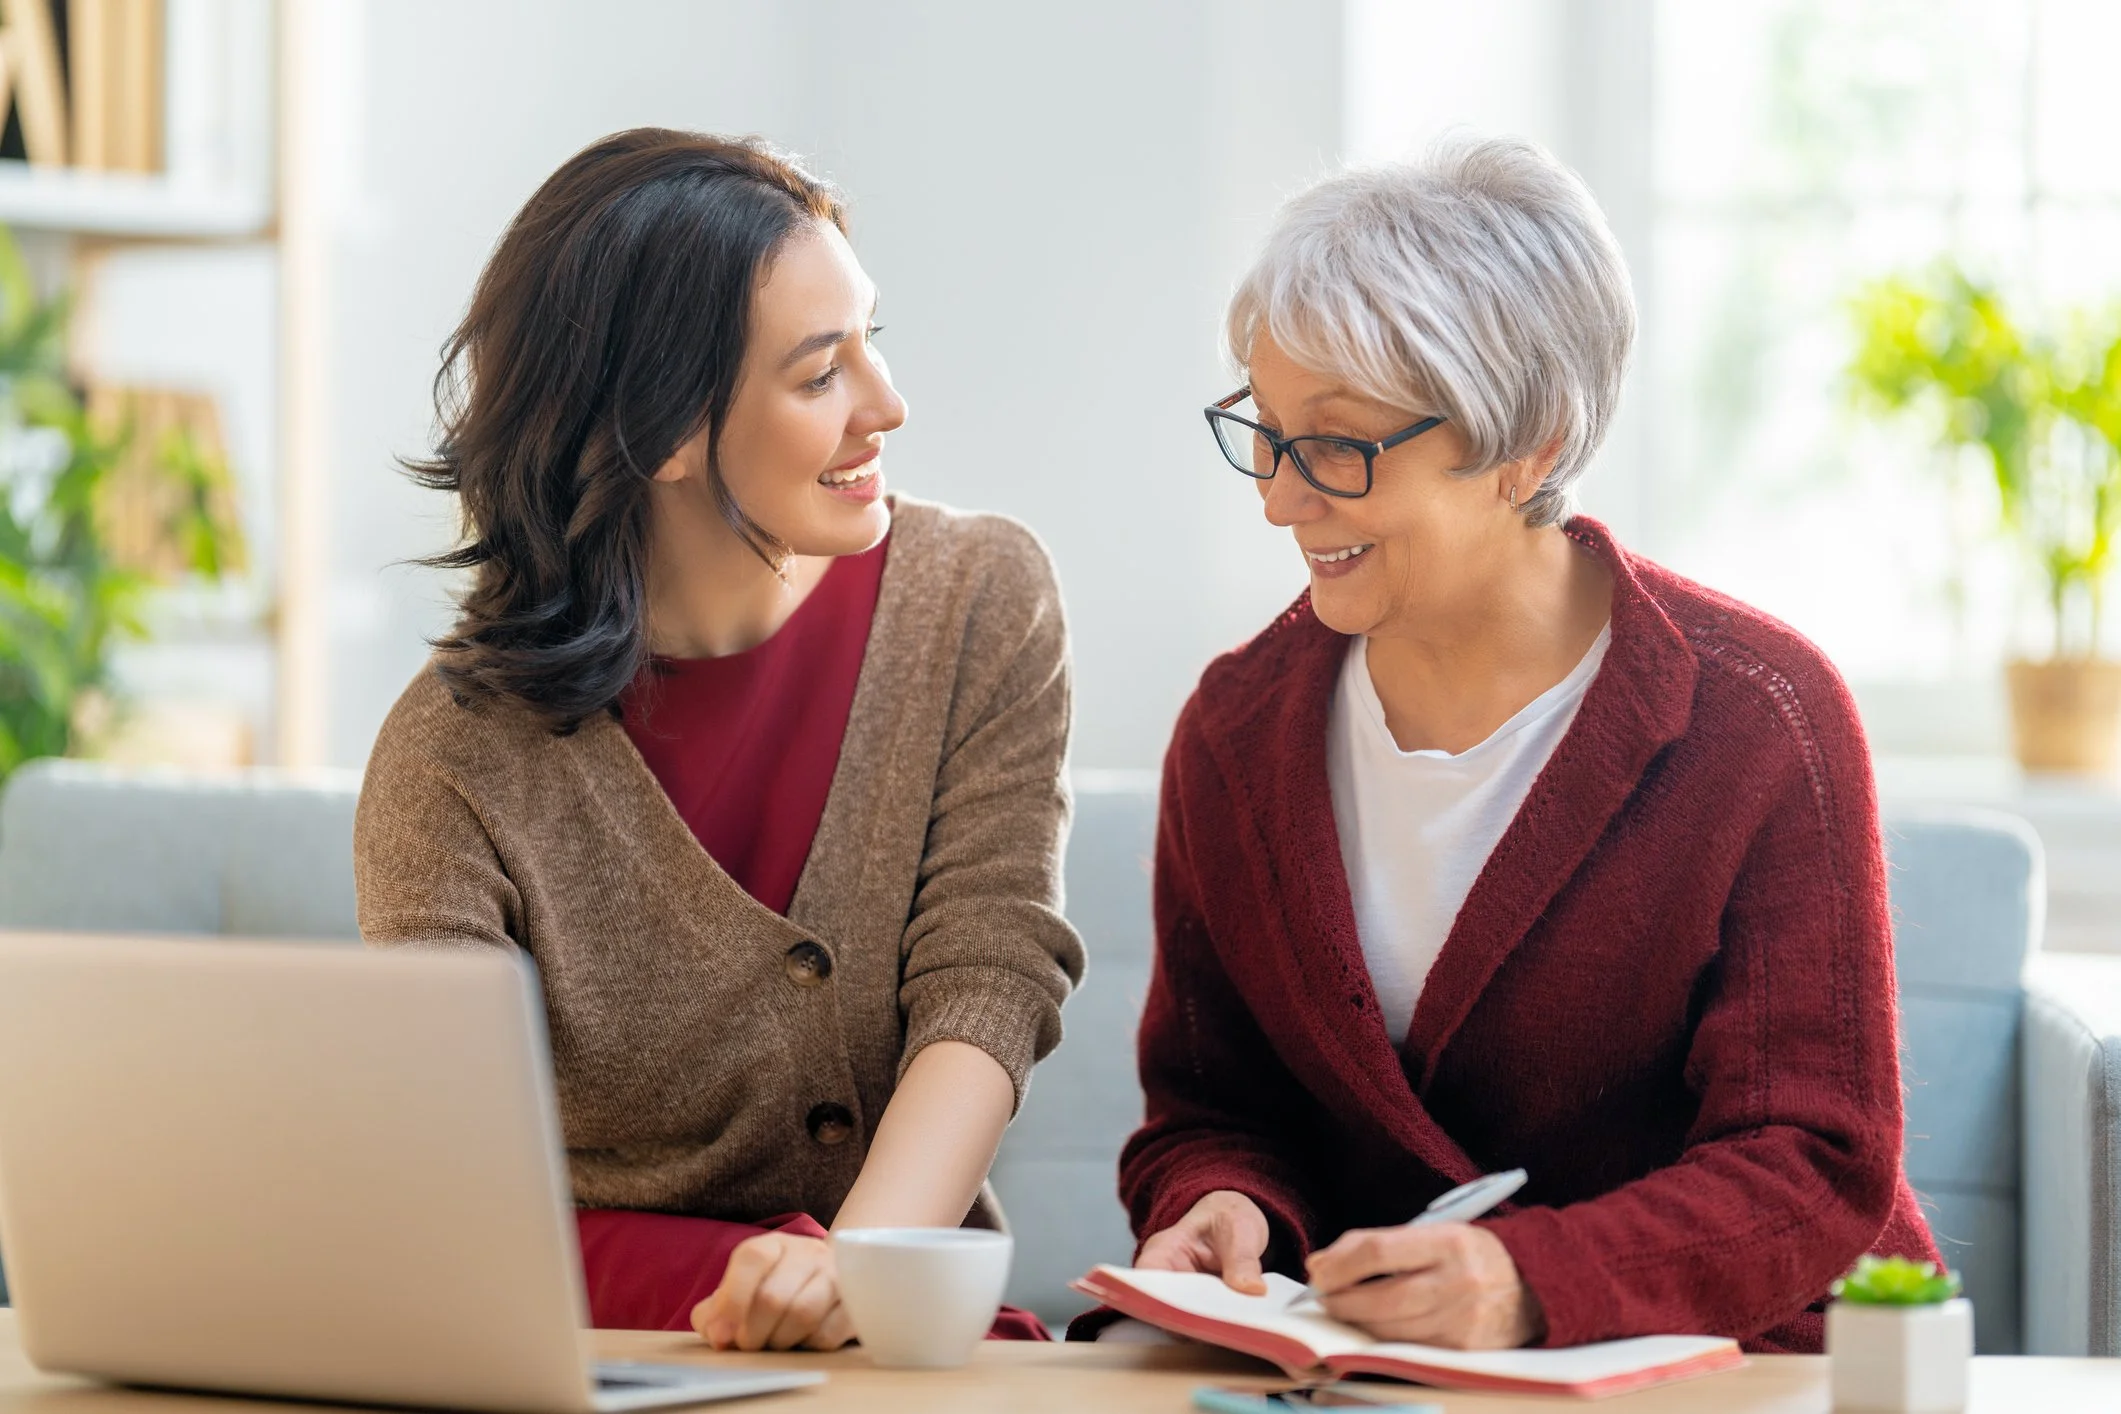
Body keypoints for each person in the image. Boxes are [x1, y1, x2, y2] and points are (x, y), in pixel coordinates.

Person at [1114, 135, 1938, 1353]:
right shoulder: (1236, 735)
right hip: (1386, 1374)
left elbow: (1814, 1161)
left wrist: (1530, 1280)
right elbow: (1209, 1108)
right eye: (1265, 430)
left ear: (1531, 443)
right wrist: (1218, 1202)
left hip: (1730, 1362)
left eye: (1336, 446)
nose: (1279, 499)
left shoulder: (1763, 717)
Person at [354, 129, 1081, 1352]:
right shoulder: (450, 762)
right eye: (818, 376)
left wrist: (861, 1270)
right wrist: (746, 1273)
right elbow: (455, 1193)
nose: (887, 407)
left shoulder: (980, 600)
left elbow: (990, 981)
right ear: (664, 433)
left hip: (897, 1339)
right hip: (598, 1347)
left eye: (872, 342)